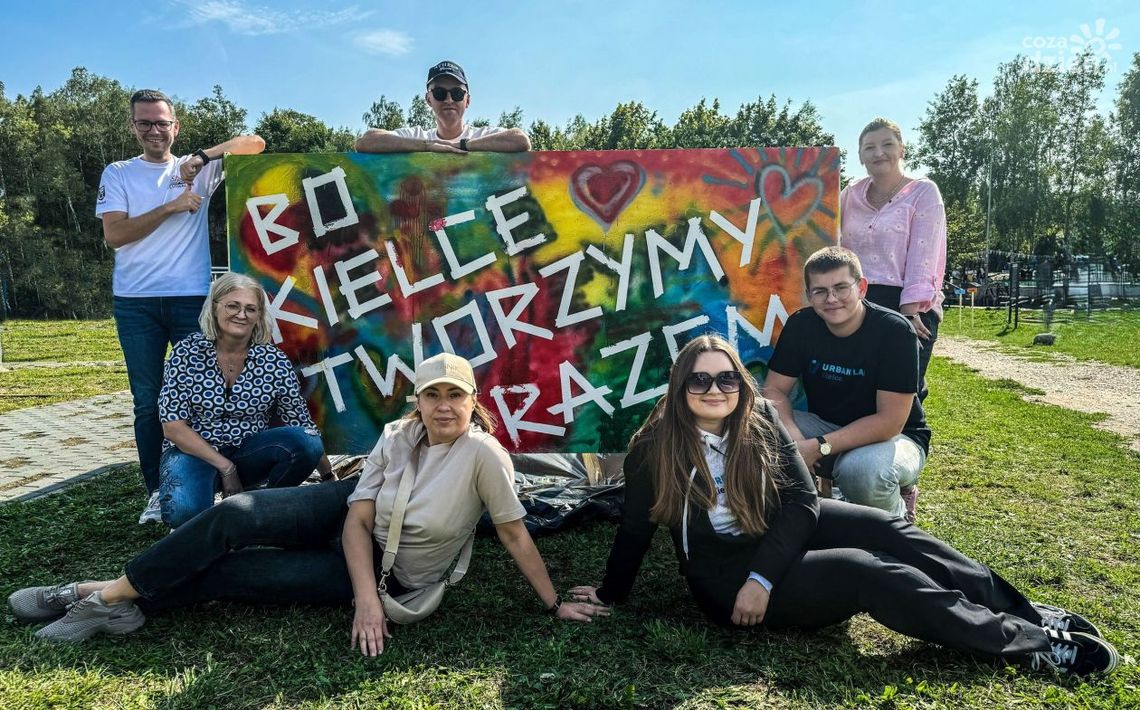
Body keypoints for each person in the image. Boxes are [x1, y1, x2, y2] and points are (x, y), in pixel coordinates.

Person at [568, 335, 1118, 677]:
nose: (716, 389)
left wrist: (767, 571)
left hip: (773, 537)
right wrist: (613, 593)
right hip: (726, 580)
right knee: (866, 571)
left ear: (741, 381)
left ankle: (1025, 610)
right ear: (680, 385)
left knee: (890, 530)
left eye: (727, 377)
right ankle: (1029, 645)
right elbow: (636, 529)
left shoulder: (758, 418)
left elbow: (803, 500)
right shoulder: (654, 446)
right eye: (700, 380)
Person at [9, 353, 606, 649]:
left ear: (473, 402)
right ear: (417, 402)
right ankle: (106, 594)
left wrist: (553, 604)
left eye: (456, 396)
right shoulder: (398, 436)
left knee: (231, 575)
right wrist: (363, 602)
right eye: (433, 396)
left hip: (393, 569)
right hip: (355, 513)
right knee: (236, 514)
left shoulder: (485, 457)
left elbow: (513, 535)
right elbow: (357, 517)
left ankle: (97, 598)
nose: (444, 406)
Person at [96, 89, 266, 523]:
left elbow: (256, 143)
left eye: (161, 122)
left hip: (192, 298)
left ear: (176, 126)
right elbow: (115, 235)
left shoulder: (197, 171)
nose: (154, 130)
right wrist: (171, 205)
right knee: (148, 401)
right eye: (145, 123)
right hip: (136, 302)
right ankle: (157, 490)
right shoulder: (118, 173)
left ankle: (205, 478)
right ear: (133, 127)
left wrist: (202, 157)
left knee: (200, 394)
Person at [761, 247, 928, 521]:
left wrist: (817, 447)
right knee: (757, 422)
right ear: (809, 295)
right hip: (826, 424)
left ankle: (898, 524)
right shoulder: (802, 325)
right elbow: (774, 390)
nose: (831, 299)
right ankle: (798, 521)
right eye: (820, 291)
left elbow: (890, 422)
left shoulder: (895, 331)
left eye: (841, 287)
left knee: (860, 472)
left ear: (861, 287)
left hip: (896, 437)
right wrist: (796, 441)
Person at [157, 272, 330, 527]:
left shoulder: (273, 361)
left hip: (249, 451)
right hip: (194, 452)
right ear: (215, 307)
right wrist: (226, 468)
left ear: (259, 315)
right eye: (233, 306)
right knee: (184, 513)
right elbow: (173, 427)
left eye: (251, 308)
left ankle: (263, 507)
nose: (241, 314)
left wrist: (328, 475)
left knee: (306, 442)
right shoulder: (186, 353)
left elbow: (300, 422)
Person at [839, 117, 946, 401]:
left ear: (902, 149)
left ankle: (908, 444)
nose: (878, 153)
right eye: (869, 147)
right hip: (855, 301)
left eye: (887, 144)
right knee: (856, 391)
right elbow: (831, 245)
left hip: (907, 301)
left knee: (900, 394)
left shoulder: (923, 192)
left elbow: (924, 254)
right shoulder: (848, 196)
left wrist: (910, 312)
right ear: (860, 156)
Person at [355, 61, 530, 154]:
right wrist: (428, 146)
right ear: (429, 99)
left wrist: (461, 146)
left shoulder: (482, 135)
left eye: (457, 93)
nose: (448, 99)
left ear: (467, 101)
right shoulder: (417, 137)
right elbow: (366, 141)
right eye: (439, 93)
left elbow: (520, 140)